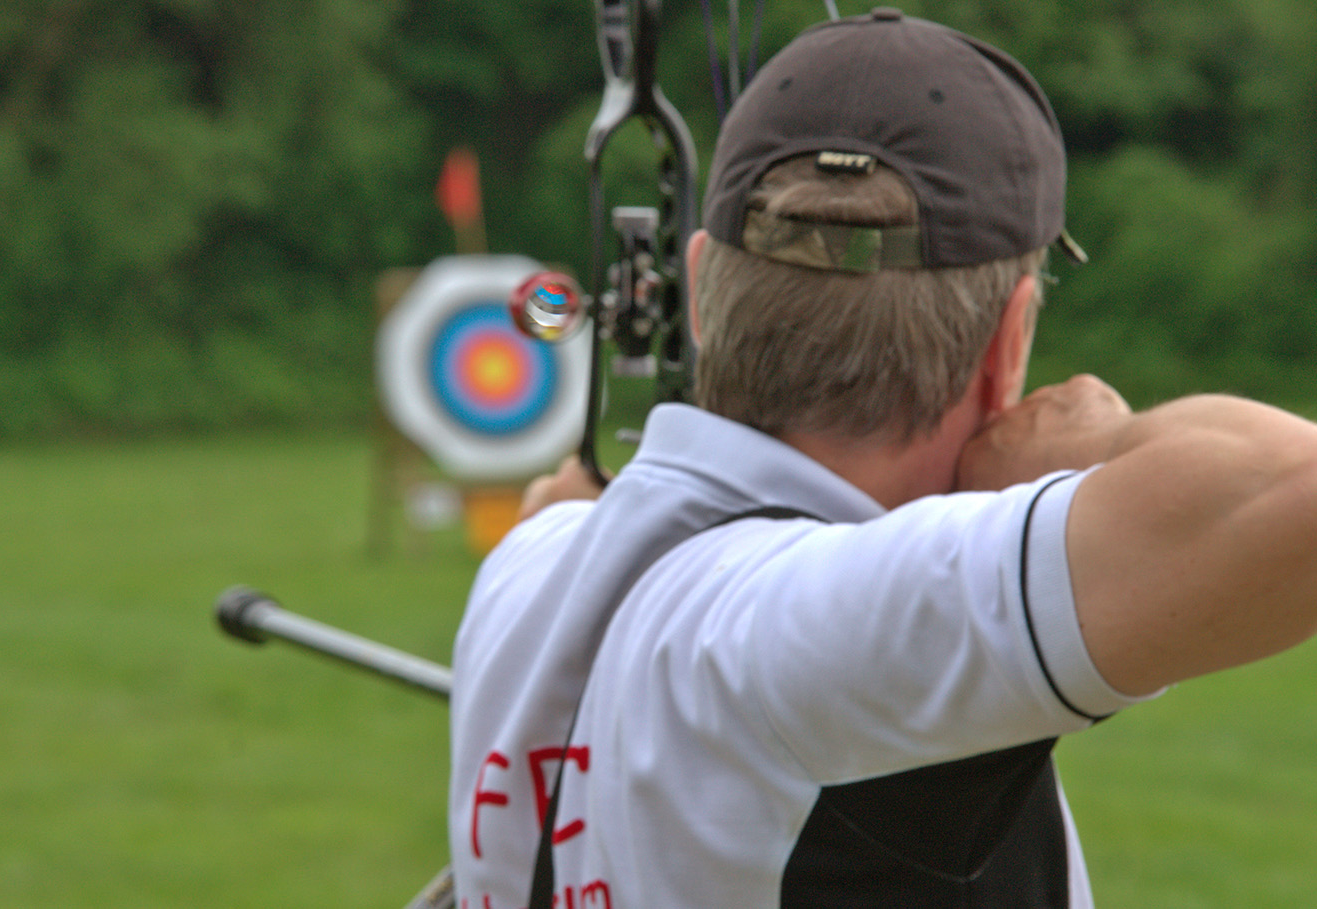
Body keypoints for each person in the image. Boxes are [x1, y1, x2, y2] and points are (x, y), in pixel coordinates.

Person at [447, 9, 1317, 907]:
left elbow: (559, 514)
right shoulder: (830, 625)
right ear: (1007, 342)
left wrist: (573, 513)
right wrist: (1087, 447)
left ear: (701, 296)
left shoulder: (527, 568)